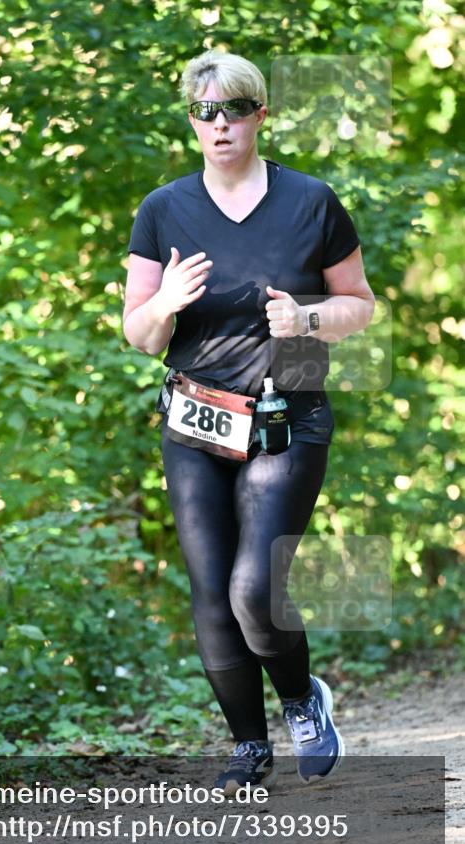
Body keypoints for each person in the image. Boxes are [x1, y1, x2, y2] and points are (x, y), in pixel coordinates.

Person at [122, 50, 375, 792]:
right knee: (210, 594)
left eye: (233, 110)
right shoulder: (163, 209)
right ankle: (247, 747)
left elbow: (358, 304)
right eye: (204, 112)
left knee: (253, 590)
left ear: (260, 115)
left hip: (288, 411)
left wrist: (307, 317)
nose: (219, 125)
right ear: (191, 122)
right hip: (197, 422)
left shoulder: (310, 201)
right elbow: (138, 335)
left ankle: (302, 700)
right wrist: (164, 305)